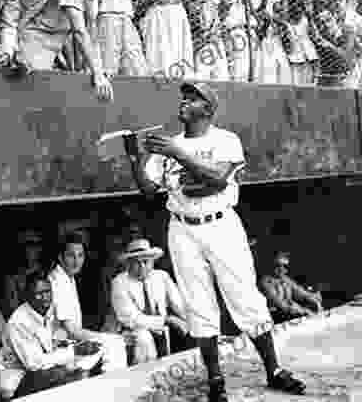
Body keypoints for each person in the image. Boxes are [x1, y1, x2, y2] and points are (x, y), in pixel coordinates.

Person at [126, 81, 306, 401]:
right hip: (182, 228)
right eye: (183, 97)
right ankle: (216, 381)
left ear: (207, 109)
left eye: (192, 98)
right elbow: (148, 190)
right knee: (198, 305)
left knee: (244, 297)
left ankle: (274, 370)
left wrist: (176, 152)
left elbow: (217, 179)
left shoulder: (225, 139)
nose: (184, 101)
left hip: (220, 224)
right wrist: (136, 157)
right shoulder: (170, 144)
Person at [17, 0, 113, 101]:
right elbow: (79, 30)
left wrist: (98, 69)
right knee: (31, 98)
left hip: (55, 42)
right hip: (34, 39)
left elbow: (91, 31)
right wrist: (97, 73)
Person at [48, 231, 128, 374]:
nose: (77, 261)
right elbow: (71, 330)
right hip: (59, 346)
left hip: (69, 342)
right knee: (115, 343)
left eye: (80, 255)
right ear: (60, 257)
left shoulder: (67, 277)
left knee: (114, 342)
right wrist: (105, 337)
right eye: (71, 255)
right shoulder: (58, 281)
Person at [0, 271, 87, 399]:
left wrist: (70, 345)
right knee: (62, 374)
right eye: (39, 294)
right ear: (28, 296)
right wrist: (72, 352)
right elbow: (34, 363)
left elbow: (59, 337)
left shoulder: (50, 309)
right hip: (21, 373)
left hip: (46, 364)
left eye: (47, 291)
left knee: (82, 367)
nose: (45, 297)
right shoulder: (19, 322)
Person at [110, 238, 193, 364]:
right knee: (144, 338)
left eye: (146, 261)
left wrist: (190, 322)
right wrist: (166, 320)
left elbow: (179, 305)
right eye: (137, 263)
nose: (142, 266)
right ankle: (141, 378)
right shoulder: (119, 282)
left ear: (153, 262)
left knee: (194, 330)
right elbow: (131, 318)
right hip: (131, 330)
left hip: (161, 328)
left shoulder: (161, 276)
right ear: (128, 264)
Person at [260, 252, 323, 324]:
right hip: (275, 317)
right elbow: (280, 303)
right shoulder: (265, 282)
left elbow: (301, 293)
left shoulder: (285, 279)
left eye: (285, 266)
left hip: (290, 313)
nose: (281, 269)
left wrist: (313, 299)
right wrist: (303, 311)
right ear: (272, 265)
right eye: (278, 265)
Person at [2, 229, 46, 319]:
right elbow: (13, 310)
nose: (33, 248)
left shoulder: (47, 273)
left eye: (37, 244)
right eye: (29, 244)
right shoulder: (12, 278)